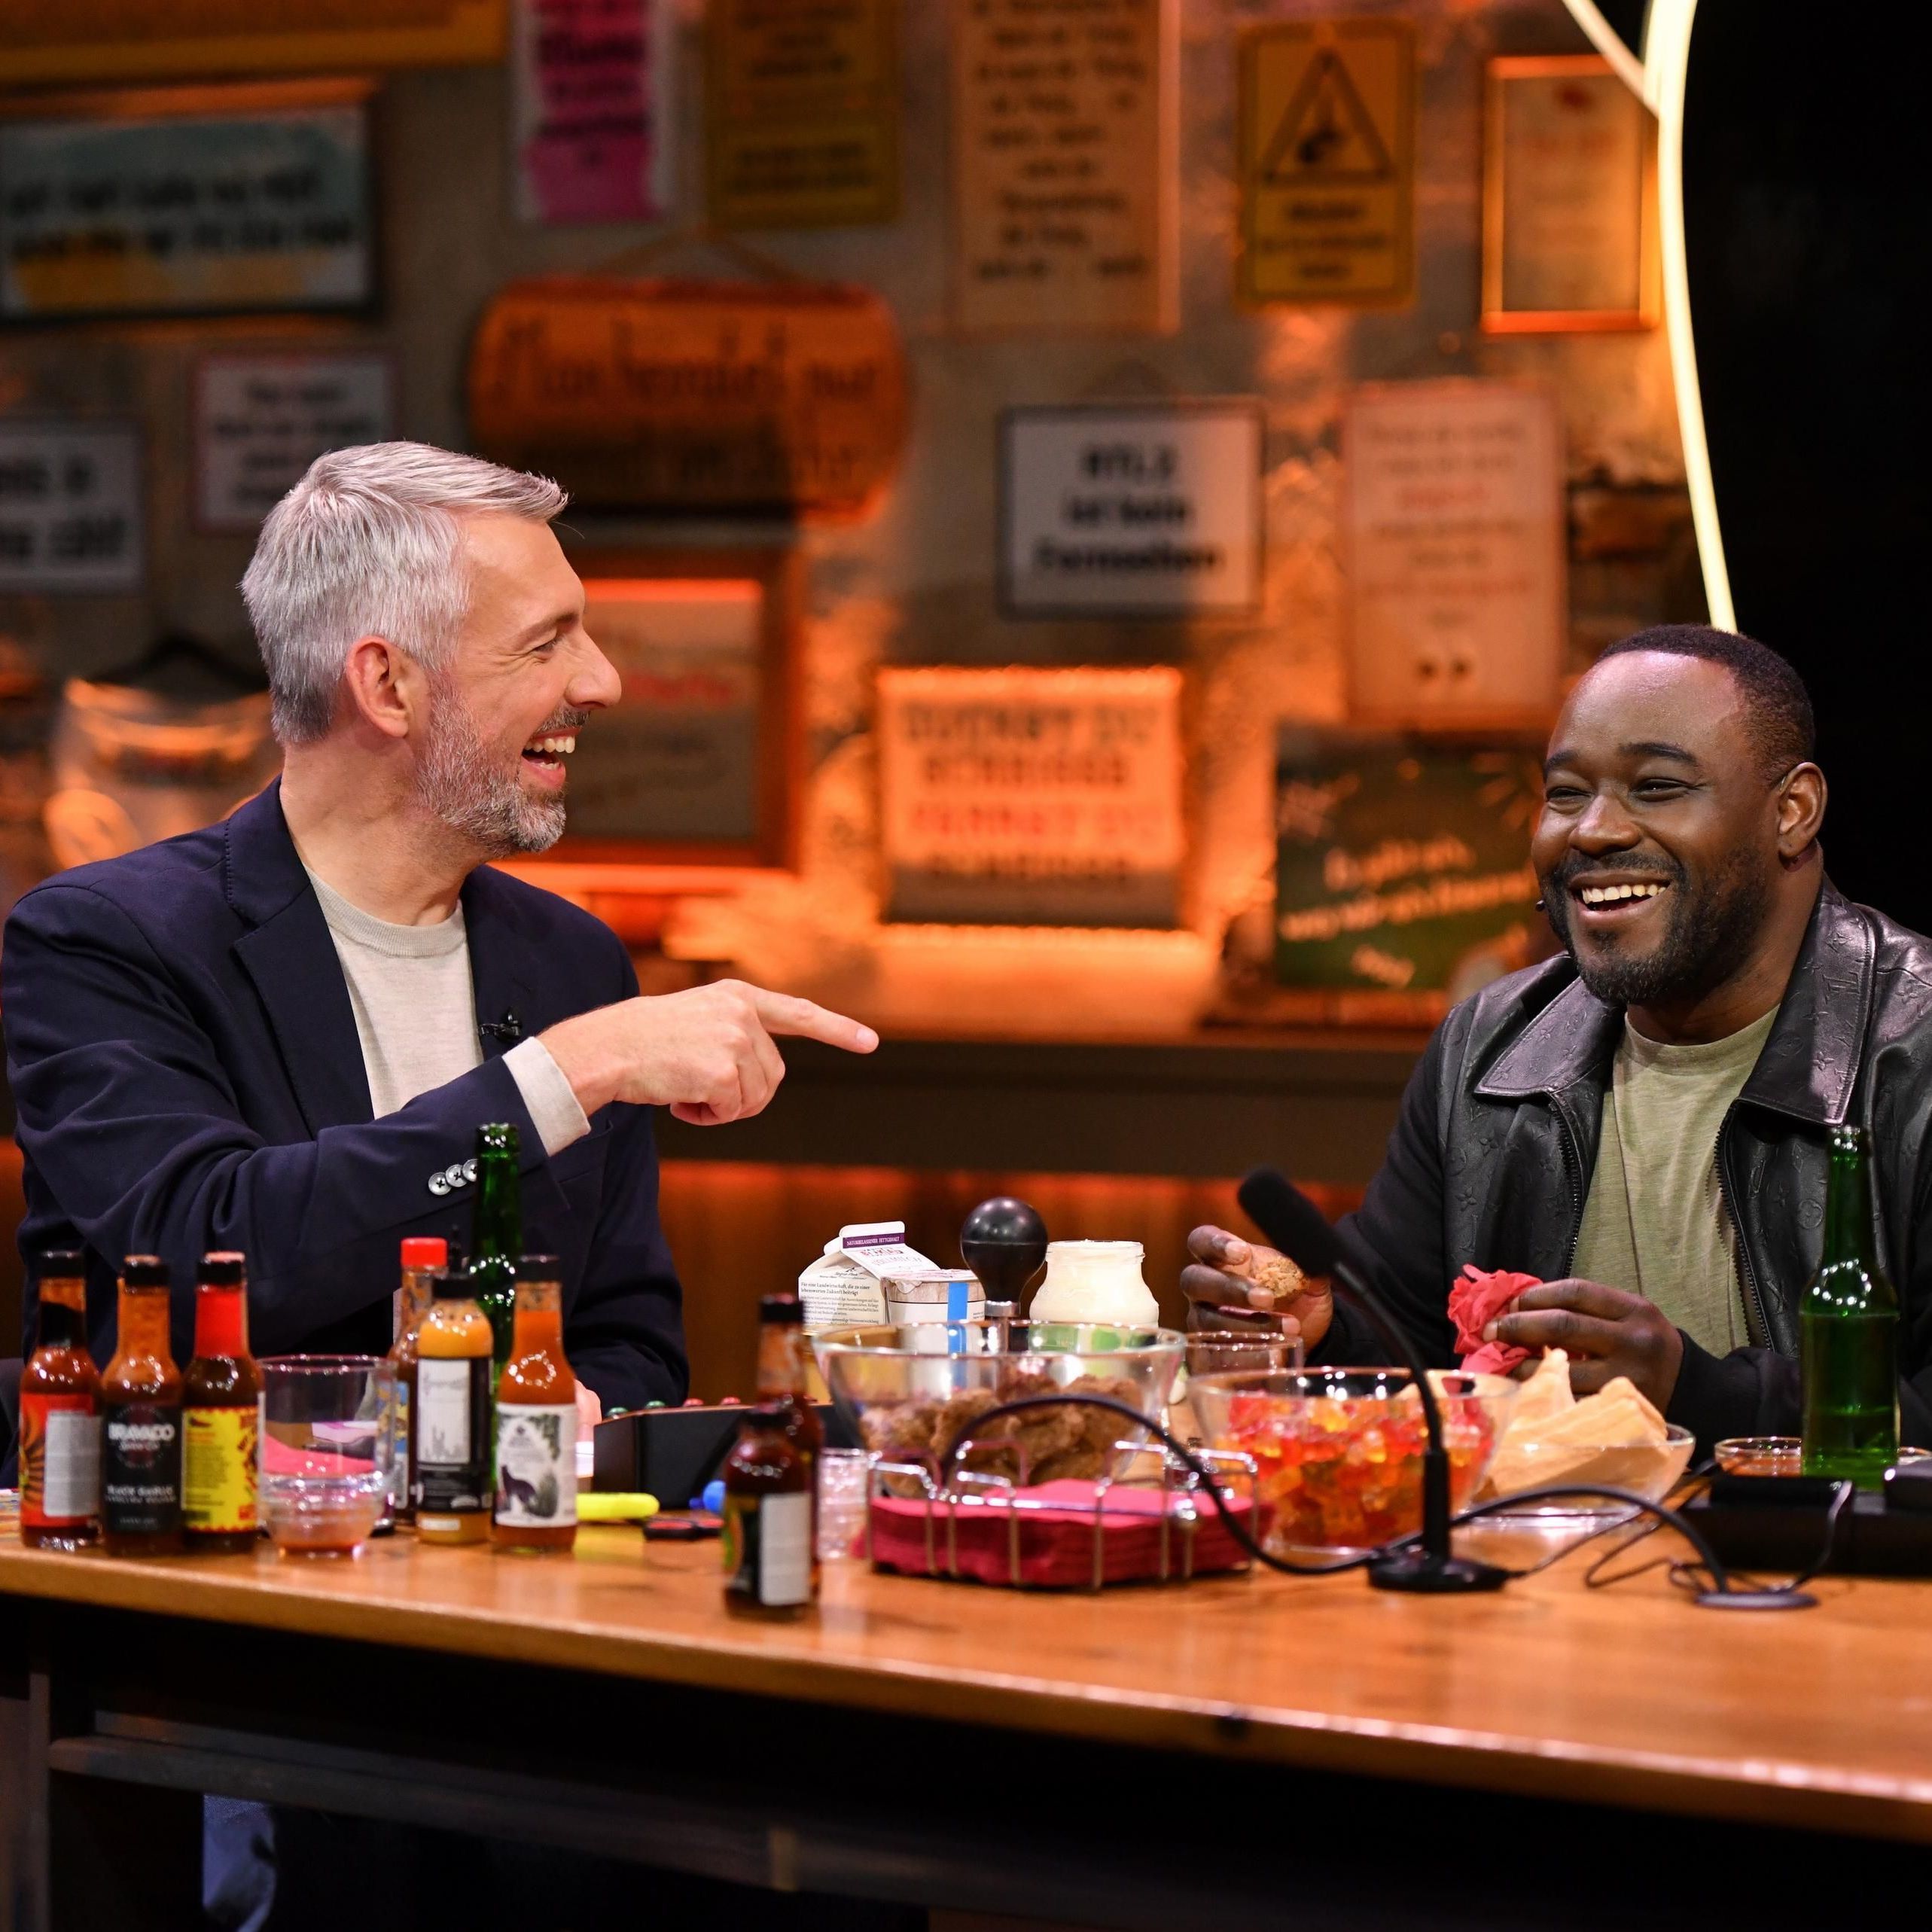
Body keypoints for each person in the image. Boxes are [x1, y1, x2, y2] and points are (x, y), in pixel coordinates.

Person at [3, 442, 878, 1421]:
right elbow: (201, 1254)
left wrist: (576, 1406)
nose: (601, 682)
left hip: (508, 1568)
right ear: (386, 685)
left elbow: (629, 1339)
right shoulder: (105, 938)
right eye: (545, 643)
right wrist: (563, 1074)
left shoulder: (572, 963)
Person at [1184, 625, 1932, 1449]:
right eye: (1566, 792)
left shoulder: (1914, 1051)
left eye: (1655, 787)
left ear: (1790, 812)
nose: (1592, 832)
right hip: (1541, 1570)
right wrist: (1320, 1333)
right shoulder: (1489, 1049)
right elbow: (1415, 1368)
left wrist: (1704, 1395)